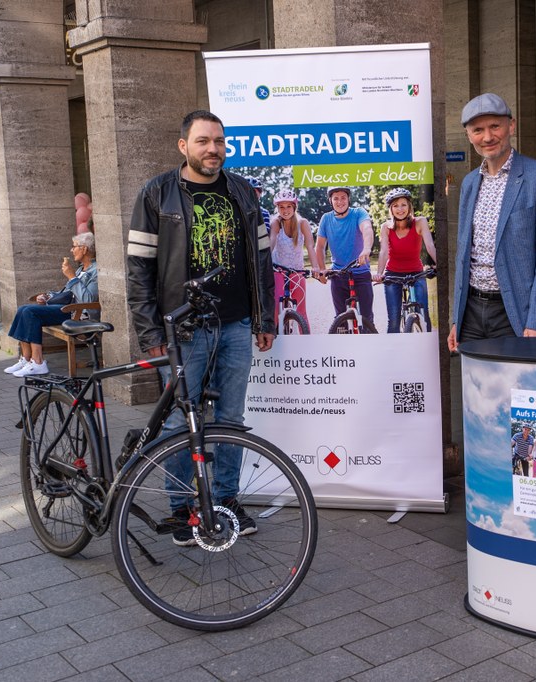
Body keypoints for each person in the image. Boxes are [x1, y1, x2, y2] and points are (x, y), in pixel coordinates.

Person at [127, 109, 276, 546]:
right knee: (178, 422)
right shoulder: (157, 194)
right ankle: (180, 508)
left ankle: (226, 500)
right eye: (204, 141)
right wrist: (150, 333)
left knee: (230, 419)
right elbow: (139, 270)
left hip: (235, 325)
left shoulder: (245, 192)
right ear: (183, 146)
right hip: (181, 331)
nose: (213, 149)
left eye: (220, 141)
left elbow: (263, 262)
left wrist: (264, 318)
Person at [447, 93, 536, 352]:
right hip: (472, 314)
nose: (487, 137)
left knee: (518, 391)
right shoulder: (469, 183)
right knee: (477, 390)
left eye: (494, 126)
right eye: (478, 130)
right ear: (468, 135)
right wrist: (457, 318)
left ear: (512, 125)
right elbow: (464, 256)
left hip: (517, 314)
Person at [3, 232, 98, 377]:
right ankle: (27, 359)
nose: (72, 250)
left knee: (30, 312)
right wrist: (48, 297)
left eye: (74, 247)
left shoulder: (95, 271)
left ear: (84, 249)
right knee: (23, 309)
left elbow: (88, 299)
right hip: (68, 308)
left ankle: (38, 362)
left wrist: (72, 277)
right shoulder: (80, 269)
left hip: (78, 313)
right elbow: (66, 294)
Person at [373, 187, 437, 332]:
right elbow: (383, 252)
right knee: (394, 320)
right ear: (391, 209)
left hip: (416, 272)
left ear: (409, 206)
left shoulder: (420, 222)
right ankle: (393, 352)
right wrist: (379, 273)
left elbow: (430, 245)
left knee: (424, 315)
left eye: (403, 204)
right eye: (395, 205)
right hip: (393, 273)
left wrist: (439, 265)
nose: (400, 209)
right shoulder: (386, 227)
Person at [314, 186, 374, 324]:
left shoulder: (359, 212)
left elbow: (366, 228)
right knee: (340, 319)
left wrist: (366, 248)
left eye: (343, 198)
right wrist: (322, 269)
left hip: (361, 272)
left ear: (348, 199)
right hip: (338, 274)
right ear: (330, 201)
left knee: (366, 318)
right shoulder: (326, 219)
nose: (340, 201)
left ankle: (368, 342)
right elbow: (320, 246)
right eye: (336, 198)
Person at [270, 188, 323, 330]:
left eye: (288, 206)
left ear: (294, 207)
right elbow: (272, 241)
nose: (285, 210)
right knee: (276, 305)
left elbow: (310, 246)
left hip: (297, 270)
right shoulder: (275, 223)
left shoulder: (302, 223)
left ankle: (306, 342)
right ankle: (274, 340)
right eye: (281, 207)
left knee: (301, 309)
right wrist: (265, 262)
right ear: (277, 208)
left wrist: (315, 267)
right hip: (278, 269)